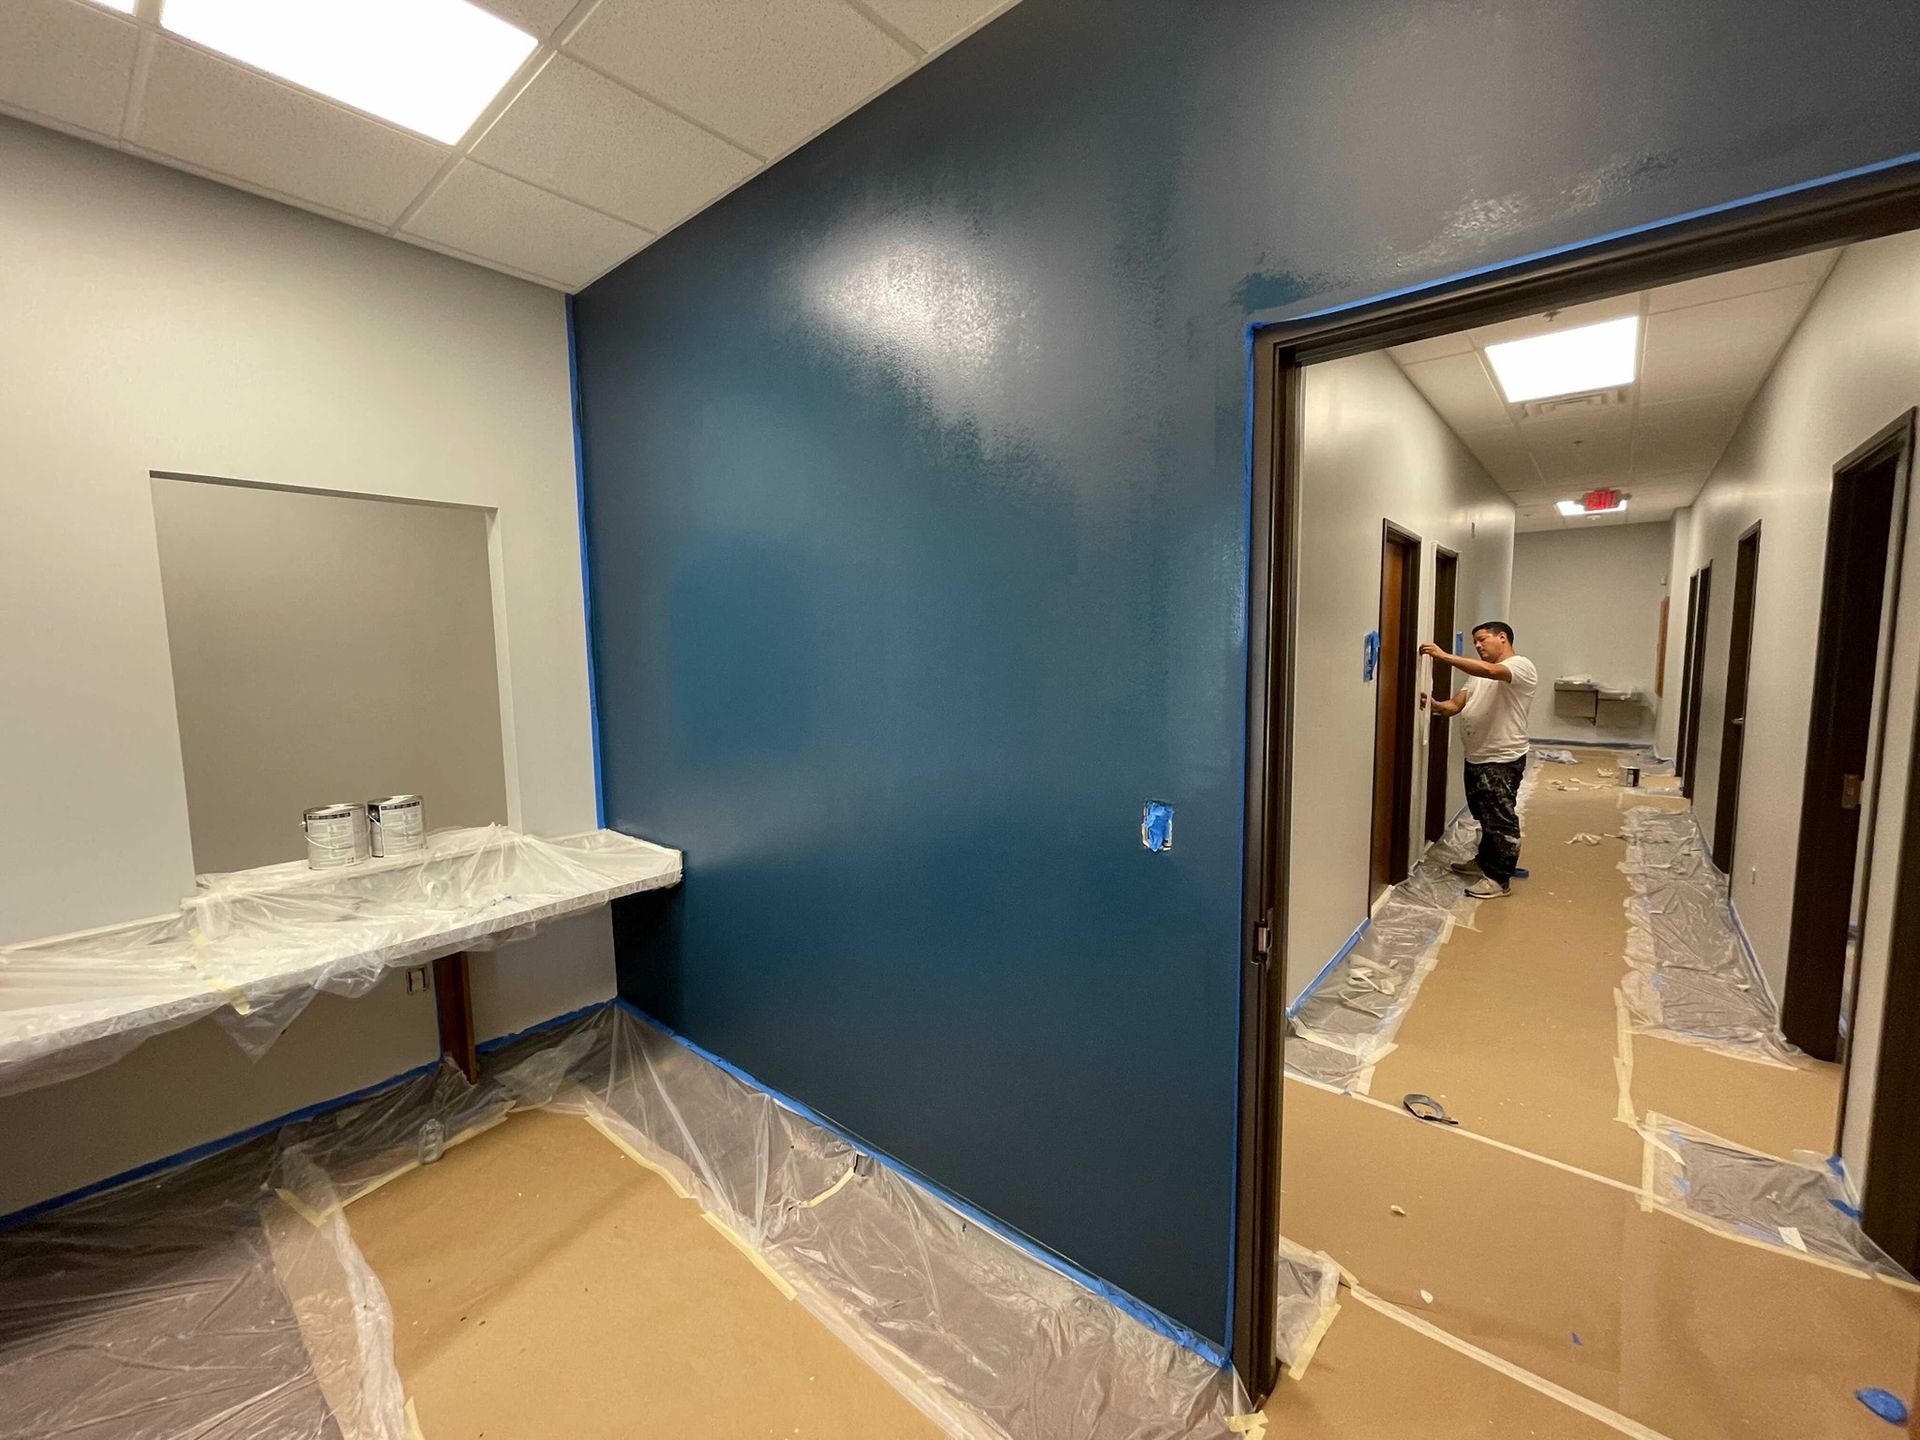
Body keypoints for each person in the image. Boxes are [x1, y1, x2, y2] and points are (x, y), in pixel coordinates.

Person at [1420, 622, 1538, 898]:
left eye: (1482, 640)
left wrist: (1443, 656)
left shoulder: (1520, 666)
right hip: (1477, 756)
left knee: (1500, 819)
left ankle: (1499, 879)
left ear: (1503, 638)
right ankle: (1485, 862)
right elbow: (1455, 706)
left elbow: (1491, 671)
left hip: (1503, 757)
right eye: (1475, 642)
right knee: (1483, 815)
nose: (1478, 646)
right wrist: (1436, 706)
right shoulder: (1476, 677)